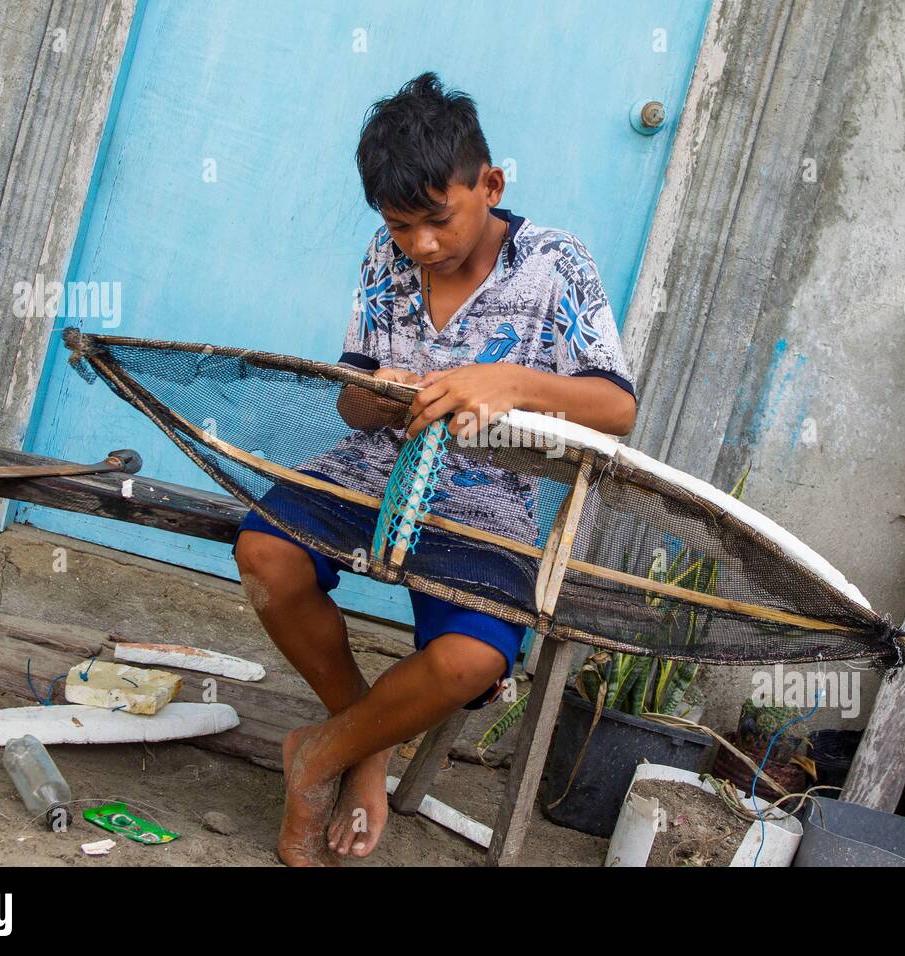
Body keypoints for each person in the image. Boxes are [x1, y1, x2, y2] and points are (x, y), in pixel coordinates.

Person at [233, 72, 637, 866]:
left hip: (488, 494)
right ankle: (366, 746)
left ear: (490, 183)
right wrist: (379, 397)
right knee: (264, 553)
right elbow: (352, 400)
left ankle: (318, 753)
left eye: (437, 219)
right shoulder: (387, 259)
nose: (420, 244)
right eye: (400, 225)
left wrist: (507, 382)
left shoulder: (555, 263)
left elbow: (616, 408)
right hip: (372, 467)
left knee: (474, 659)